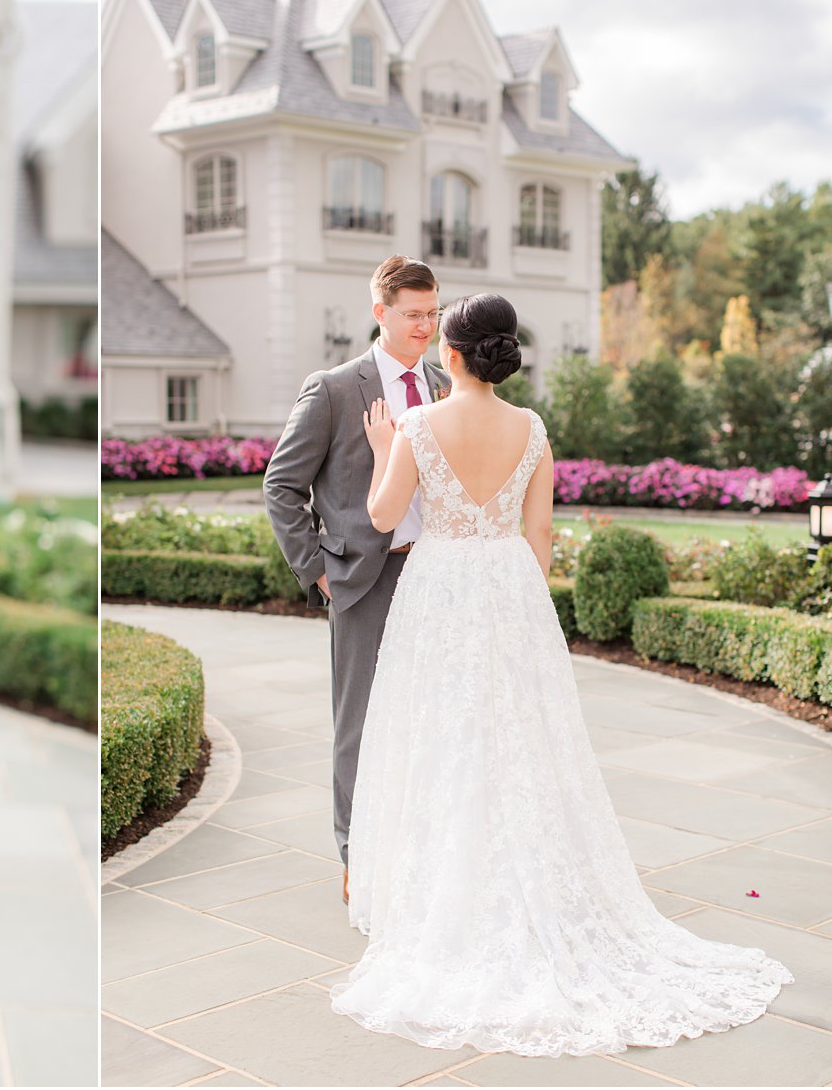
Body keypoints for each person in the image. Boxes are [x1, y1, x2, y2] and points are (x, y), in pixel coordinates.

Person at [330, 292, 792, 1054]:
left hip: (440, 588)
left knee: (441, 734)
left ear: (450, 354)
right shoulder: (532, 427)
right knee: (520, 740)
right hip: (509, 584)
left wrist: (385, 453)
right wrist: (519, 604)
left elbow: (383, 519)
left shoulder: (416, 424)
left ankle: (448, 888)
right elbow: (539, 532)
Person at [263, 255, 450, 901]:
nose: (426, 326)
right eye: (413, 314)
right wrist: (317, 570)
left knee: (426, 716)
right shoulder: (336, 388)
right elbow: (281, 485)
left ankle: (416, 846)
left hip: (434, 576)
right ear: (381, 312)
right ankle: (356, 856)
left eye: (433, 313)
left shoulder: (445, 389)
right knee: (360, 723)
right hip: (361, 580)